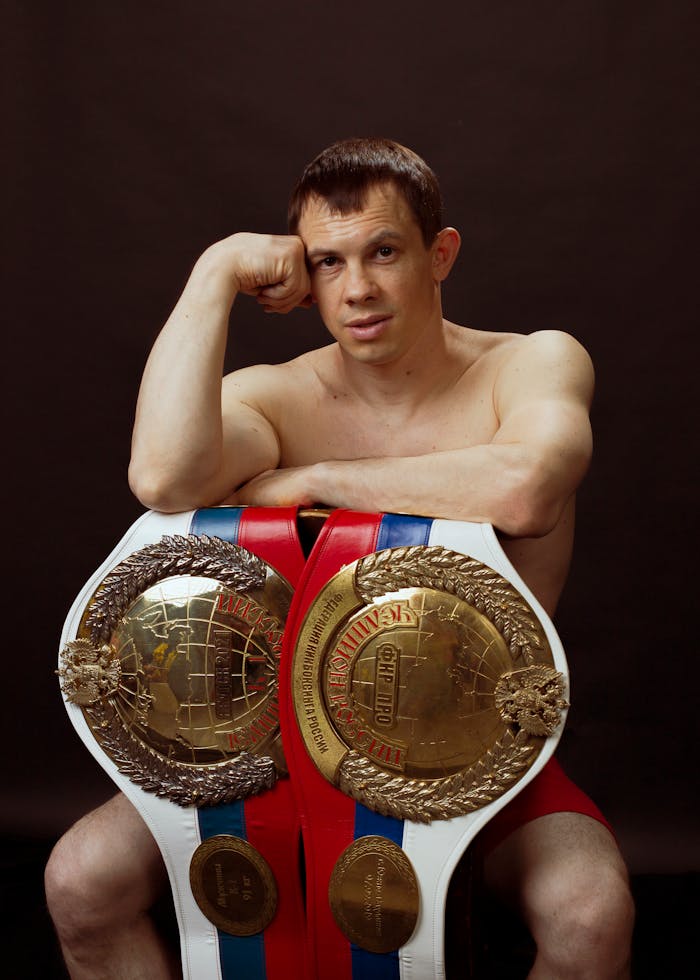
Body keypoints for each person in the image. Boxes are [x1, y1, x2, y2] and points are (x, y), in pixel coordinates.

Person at [45, 137, 635, 978]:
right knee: (79, 881)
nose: (356, 289)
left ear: (441, 254)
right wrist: (214, 270)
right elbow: (161, 475)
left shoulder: (530, 363)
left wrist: (316, 478)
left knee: (591, 914)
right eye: (327, 262)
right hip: (280, 755)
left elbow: (527, 487)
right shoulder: (280, 396)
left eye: (384, 252)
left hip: (479, 755)